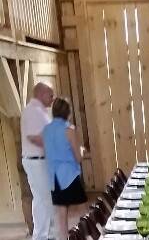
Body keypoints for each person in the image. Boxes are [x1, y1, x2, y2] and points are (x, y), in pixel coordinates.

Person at [42, 97, 87, 240]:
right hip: (69, 175)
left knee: (61, 212)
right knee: (83, 210)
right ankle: (87, 236)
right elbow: (78, 158)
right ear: (68, 112)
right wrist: (82, 151)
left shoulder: (46, 130)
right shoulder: (69, 130)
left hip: (54, 178)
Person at [21, 82, 55, 240]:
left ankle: (48, 234)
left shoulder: (39, 111)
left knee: (44, 199)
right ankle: (42, 236)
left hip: (39, 161)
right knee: (44, 200)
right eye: (51, 95)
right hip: (36, 161)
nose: (53, 98)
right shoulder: (33, 111)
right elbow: (34, 137)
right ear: (41, 94)